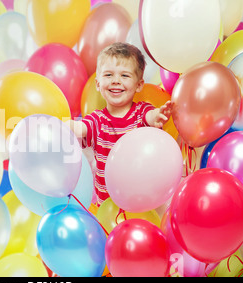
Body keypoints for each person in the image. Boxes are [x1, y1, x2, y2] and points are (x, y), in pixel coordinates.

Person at [68, 42, 173, 206]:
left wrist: (158, 115)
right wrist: (57, 125)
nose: (116, 81)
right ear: (97, 84)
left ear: (139, 85)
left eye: (125, 76)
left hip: (138, 202)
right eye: (108, 75)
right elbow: (80, 128)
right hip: (107, 207)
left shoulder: (140, 112)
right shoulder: (98, 120)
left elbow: (150, 117)